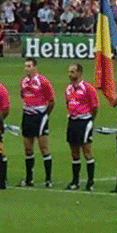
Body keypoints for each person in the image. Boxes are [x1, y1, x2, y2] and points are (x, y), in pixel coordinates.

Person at [18, 57, 56, 188]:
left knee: (43, 147)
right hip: (27, 115)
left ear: (35, 67)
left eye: (29, 66)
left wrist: (45, 114)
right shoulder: (23, 81)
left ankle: (48, 179)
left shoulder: (43, 81)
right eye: (26, 66)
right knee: (28, 148)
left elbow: (51, 101)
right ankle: (29, 179)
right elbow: (23, 95)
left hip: (39, 116)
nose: (27, 68)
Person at [63, 63, 99, 191]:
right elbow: (68, 103)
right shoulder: (68, 89)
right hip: (73, 120)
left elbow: (95, 107)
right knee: (74, 151)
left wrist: (90, 119)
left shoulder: (87, 88)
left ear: (79, 73)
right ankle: (75, 181)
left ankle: (90, 181)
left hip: (84, 121)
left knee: (87, 150)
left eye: (72, 72)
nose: (70, 74)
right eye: (69, 72)